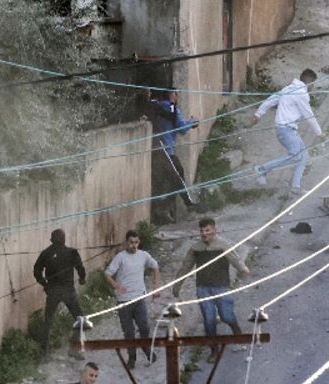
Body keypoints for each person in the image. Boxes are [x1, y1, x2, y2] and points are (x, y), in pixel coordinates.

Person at [171, 217, 251, 362]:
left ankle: (239, 336)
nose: (204, 234)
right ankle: (214, 351)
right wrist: (177, 285)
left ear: (214, 230)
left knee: (227, 316)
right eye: (202, 231)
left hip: (221, 287)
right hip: (203, 288)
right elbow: (185, 267)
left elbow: (235, 259)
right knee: (209, 320)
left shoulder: (223, 245)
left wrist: (243, 269)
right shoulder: (196, 248)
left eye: (207, 230)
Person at [252, 69, 322, 195]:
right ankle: (262, 169)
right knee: (295, 156)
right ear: (310, 83)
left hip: (286, 129)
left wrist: (258, 114)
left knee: (303, 156)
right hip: (286, 130)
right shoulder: (301, 94)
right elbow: (309, 115)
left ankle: (295, 186)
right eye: (314, 84)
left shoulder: (288, 89)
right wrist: (319, 132)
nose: (313, 87)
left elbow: (271, 99)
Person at [104, 229, 161, 366]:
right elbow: (107, 273)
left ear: (139, 242)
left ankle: (146, 348)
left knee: (144, 327)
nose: (134, 245)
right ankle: (132, 357)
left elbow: (155, 266)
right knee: (128, 331)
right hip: (123, 301)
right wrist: (116, 285)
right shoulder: (120, 257)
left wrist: (156, 286)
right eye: (131, 242)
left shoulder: (143, 255)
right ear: (126, 243)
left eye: (136, 242)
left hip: (139, 298)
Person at [32, 229, 87, 354]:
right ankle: (76, 349)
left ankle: (44, 353)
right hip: (68, 291)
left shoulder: (46, 253)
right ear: (64, 239)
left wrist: (45, 285)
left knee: (48, 322)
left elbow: (36, 271)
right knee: (80, 319)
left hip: (53, 292)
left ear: (51, 240)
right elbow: (80, 269)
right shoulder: (72, 252)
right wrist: (82, 279)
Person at [147, 89, 198, 223]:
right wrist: (192, 122)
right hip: (165, 150)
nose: (178, 97)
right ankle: (187, 205)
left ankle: (163, 208)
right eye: (176, 94)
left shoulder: (157, 106)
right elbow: (181, 128)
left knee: (172, 179)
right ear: (172, 95)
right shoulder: (171, 108)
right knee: (177, 175)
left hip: (158, 149)